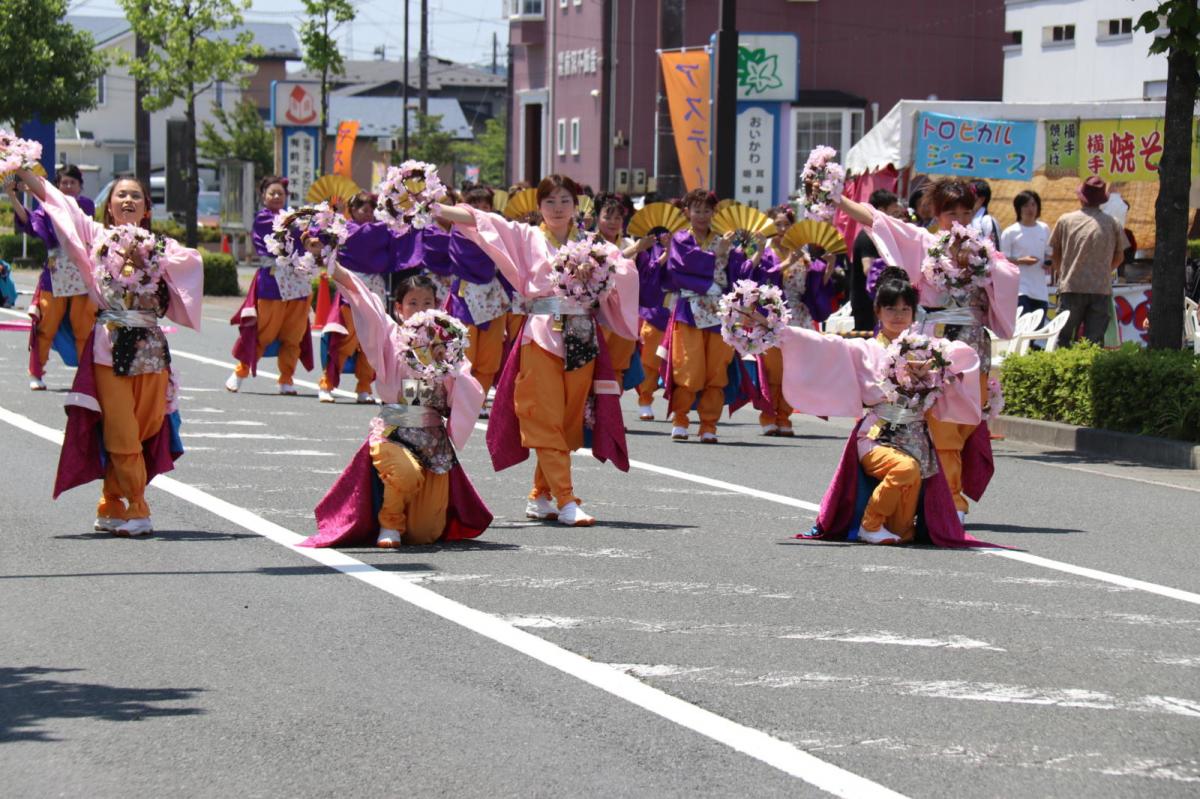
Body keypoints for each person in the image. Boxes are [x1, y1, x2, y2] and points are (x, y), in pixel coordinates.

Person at [436, 174, 640, 527]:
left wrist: (604, 270)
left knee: (568, 418)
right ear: (539, 207)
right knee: (544, 415)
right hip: (542, 334)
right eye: (550, 202)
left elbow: (622, 272)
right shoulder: (528, 236)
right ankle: (566, 498)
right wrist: (436, 206)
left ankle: (540, 495)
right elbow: (485, 222)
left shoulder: (593, 245)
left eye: (565, 201)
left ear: (577, 206)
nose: (558, 208)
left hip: (582, 335)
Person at [15, 165, 202, 537]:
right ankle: (138, 506)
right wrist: (21, 168)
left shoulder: (161, 246)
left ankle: (112, 501)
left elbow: (191, 262)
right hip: (109, 344)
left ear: (146, 207)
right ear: (110, 206)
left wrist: (155, 258)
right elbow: (59, 202)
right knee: (121, 428)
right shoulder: (95, 235)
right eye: (122, 195)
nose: (129, 200)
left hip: (149, 344)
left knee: (148, 424)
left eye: (136, 196)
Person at [835, 178, 1018, 522]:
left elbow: (1008, 279)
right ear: (935, 213)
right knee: (936, 423)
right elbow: (877, 221)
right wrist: (839, 201)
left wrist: (987, 265)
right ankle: (945, 500)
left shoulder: (984, 251)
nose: (960, 219)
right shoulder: (924, 241)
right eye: (951, 212)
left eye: (967, 211)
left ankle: (947, 497)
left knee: (963, 422)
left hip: (972, 344)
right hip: (932, 342)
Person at [772, 268, 985, 546]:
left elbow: (962, 357)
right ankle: (869, 524)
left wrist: (937, 365)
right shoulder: (862, 348)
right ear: (877, 311)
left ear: (914, 312)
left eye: (905, 309)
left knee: (905, 532)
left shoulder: (926, 349)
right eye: (890, 308)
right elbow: (822, 344)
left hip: (917, 439)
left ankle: (883, 524)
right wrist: (777, 329)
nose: (898, 315)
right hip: (877, 436)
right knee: (904, 469)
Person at [304, 269, 491, 549]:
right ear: (399, 308)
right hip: (393, 432)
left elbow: (465, 392)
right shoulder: (391, 336)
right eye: (413, 303)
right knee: (405, 472)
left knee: (424, 532)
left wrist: (450, 369)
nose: (420, 309)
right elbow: (367, 304)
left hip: (433, 439)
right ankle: (389, 522)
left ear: (438, 307)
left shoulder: (449, 345)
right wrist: (336, 269)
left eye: (427, 303)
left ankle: (404, 520)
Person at [661, 189, 760, 443]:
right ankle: (681, 419)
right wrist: (715, 257)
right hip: (689, 311)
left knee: (717, 372)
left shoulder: (723, 240)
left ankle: (708, 425)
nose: (702, 215)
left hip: (719, 313)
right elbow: (678, 268)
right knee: (689, 369)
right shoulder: (681, 239)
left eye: (707, 210)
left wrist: (755, 253)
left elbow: (741, 272)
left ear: (714, 213)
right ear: (687, 212)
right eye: (697, 210)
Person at [8, 165, 98, 390]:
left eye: (72, 183)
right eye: (64, 183)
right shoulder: (46, 208)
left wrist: (37, 191)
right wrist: (13, 196)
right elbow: (28, 222)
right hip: (54, 274)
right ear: (57, 185)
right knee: (46, 325)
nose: (68, 187)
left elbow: (70, 217)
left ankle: (85, 377)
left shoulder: (85, 206)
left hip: (82, 275)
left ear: (80, 186)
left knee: (83, 326)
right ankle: (36, 372)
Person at [226, 175, 314, 395]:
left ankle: (286, 379)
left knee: (293, 335)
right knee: (263, 333)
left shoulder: (297, 219)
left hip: (298, 283)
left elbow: (308, 240)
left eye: (280, 194)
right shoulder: (264, 219)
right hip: (272, 282)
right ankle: (240, 371)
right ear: (263, 196)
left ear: (286, 197)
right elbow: (282, 232)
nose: (276, 196)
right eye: (272, 193)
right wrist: (301, 223)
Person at [317, 191, 381, 403]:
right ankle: (327, 383)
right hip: (350, 293)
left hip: (374, 292)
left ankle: (364, 387)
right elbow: (322, 236)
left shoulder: (378, 229)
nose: (369, 213)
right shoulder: (347, 229)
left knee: (371, 344)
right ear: (352, 211)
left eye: (372, 210)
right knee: (343, 341)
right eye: (364, 209)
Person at [1050, 177, 1124, 347]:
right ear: (1102, 200)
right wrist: (1105, 270)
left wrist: (1063, 273)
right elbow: (1120, 257)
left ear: (1081, 197)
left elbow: (1055, 254)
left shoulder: (1065, 220)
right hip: (1100, 288)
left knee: (1064, 340)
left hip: (1071, 286)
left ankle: (1063, 373)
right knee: (1094, 343)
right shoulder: (1113, 223)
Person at [592, 191, 649, 389]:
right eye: (607, 216)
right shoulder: (588, 242)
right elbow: (604, 263)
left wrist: (664, 253)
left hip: (624, 313)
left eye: (618, 217)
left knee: (617, 367)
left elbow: (645, 276)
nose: (613, 222)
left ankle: (611, 417)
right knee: (593, 366)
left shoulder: (631, 243)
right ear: (597, 217)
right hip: (597, 314)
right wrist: (635, 251)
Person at [849, 189, 905, 333]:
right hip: (867, 305)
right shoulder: (868, 236)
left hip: (882, 303)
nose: (896, 218)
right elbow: (868, 268)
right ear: (881, 211)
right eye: (893, 213)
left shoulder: (882, 235)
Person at [1000, 190, 1052, 318]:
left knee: (1037, 328)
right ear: (1018, 208)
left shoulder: (1044, 229)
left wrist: (1048, 262)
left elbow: (1049, 253)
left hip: (1039, 288)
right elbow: (1002, 260)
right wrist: (1021, 260)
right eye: (1026, 205)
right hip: (1019, 287)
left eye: (1033, 205)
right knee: (1023, 326)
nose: (1030, 209)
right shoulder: (1010, 232)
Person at [968, 179, 1000, 248]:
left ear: (982, 199)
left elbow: (995, 250)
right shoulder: (965, 220)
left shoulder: (987, 221)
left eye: (970, 196)